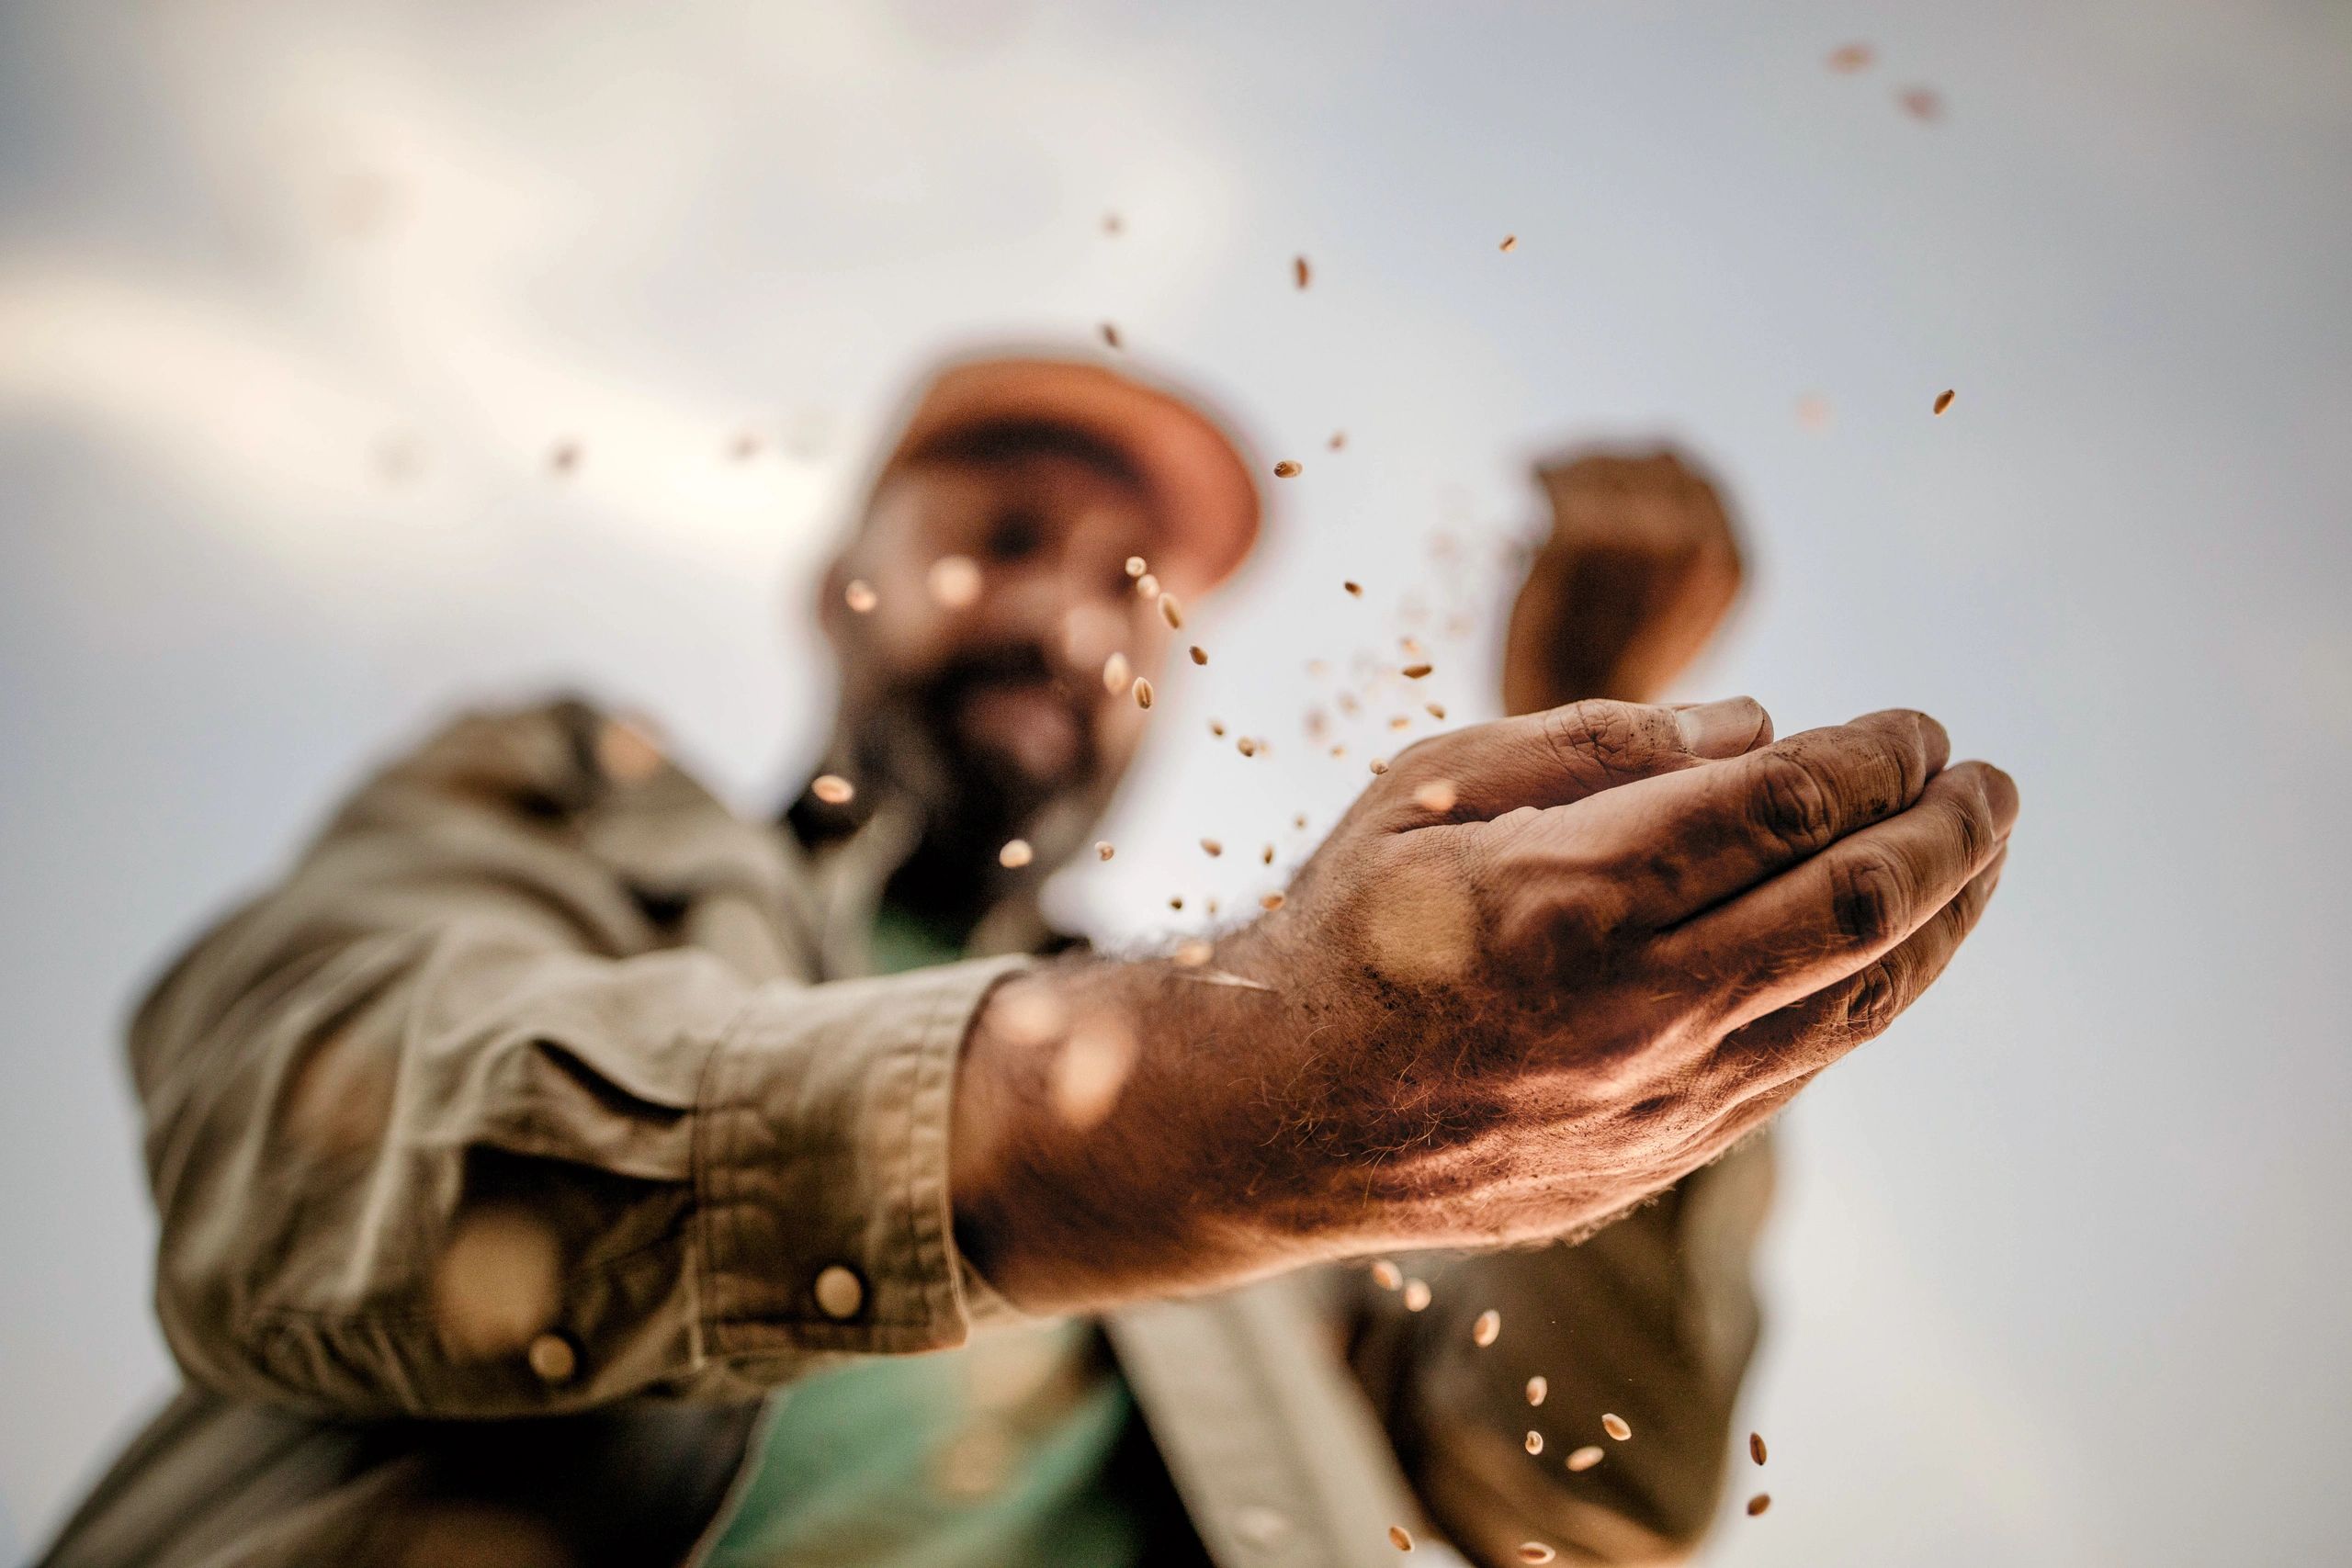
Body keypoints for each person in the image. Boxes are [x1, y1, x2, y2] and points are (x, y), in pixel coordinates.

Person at [37, 351, 2017, 1568]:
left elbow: (1582, 1498)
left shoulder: (1335, 1113)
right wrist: (1184, 1107)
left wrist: (1645, 997)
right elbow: (305, 1137)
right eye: (999, 530)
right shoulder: (574, 798)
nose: (1073, 617)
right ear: (844, 571)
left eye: (1136, 590)